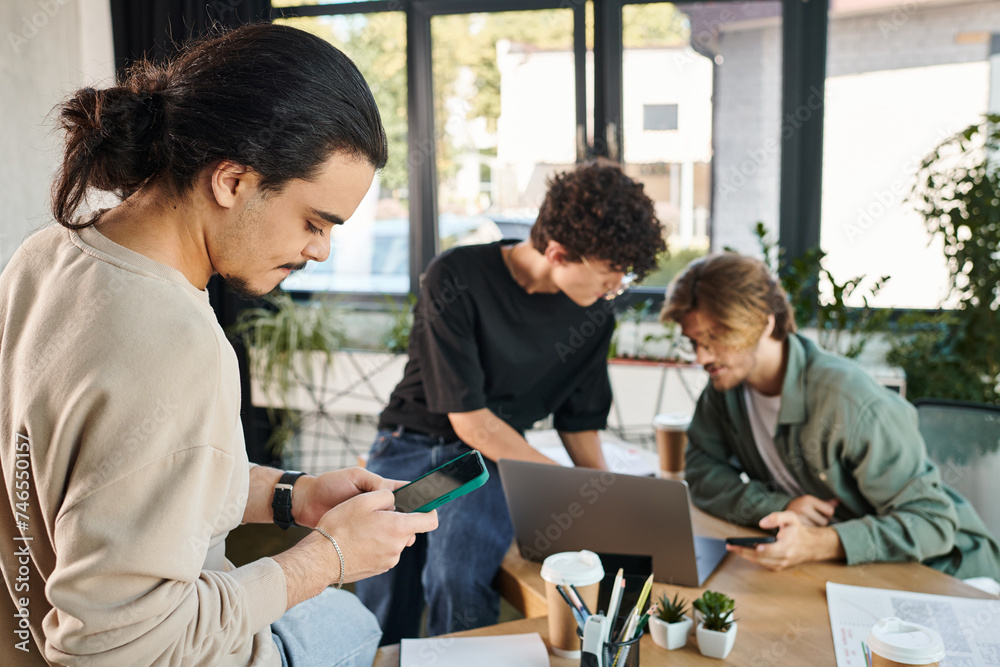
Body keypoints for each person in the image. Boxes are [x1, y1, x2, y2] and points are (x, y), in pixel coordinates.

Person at [0, 24, 437, 667]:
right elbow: (107, 650)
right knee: (350, 620)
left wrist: (294, 495)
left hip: (19, 634)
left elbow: (96, 480)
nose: (319, 249)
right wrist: (327, 559)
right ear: (230, 181)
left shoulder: (45, 256)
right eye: (315, 222)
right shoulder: (178, 346)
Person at [355, 159, 667, 643]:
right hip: (413, 443)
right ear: (560, 253)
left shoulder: (594, 318)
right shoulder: (456, 275)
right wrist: (561, 483)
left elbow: (579, 423)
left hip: (488, 460)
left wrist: (600, 494)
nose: (615, 287)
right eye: (611, 273)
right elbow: (473, 421)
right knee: (386, 579)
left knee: (456, 581)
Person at [660, 252, 1000, 579]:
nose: (703, 356)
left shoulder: (850, 402)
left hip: (947, 573)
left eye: (717, 338)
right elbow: (702, 469)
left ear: (764, 323)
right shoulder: (725, 386)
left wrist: (821, 543)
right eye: (693, 342)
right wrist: (779, 506)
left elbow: (932, 521)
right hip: (855, 573)